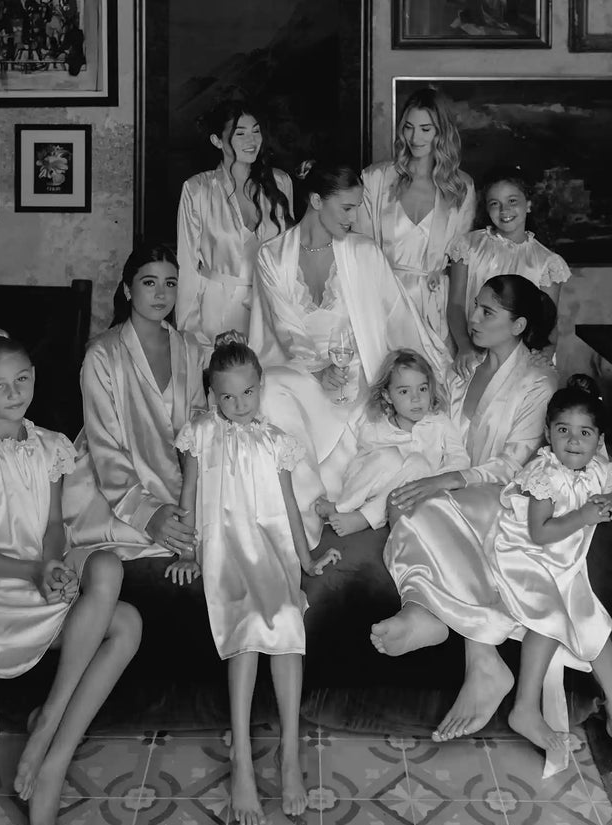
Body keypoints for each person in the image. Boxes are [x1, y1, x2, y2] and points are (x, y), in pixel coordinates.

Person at [0, 329, 142, 825]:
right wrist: (32, 571)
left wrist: (51, 562)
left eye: (22, 379)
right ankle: (49, 727)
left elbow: (53, 524)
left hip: (34, 568)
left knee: (111, 570)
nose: (14, 393)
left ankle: (52, 753)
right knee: (125, 622)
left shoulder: (49, 444)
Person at [371, 275, 558, 741]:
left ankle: (477, 654)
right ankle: (430, 614)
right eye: (474, 307)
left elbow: (515, 462)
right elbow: (425, 420)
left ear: (518, 324)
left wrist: (447, 479)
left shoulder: (537, 380)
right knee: (406, 503)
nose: (471, 319)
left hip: (502, 495)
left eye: (486, 312)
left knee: (428, 504)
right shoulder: (462, 368)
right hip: (449, 488)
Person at [166, 332, 341, 825]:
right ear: (212, 397)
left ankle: (289, 754)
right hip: (226, 551)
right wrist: (191, 552)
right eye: (227, 396)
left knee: (288, 618)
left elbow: (288, 506)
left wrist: (306, 561)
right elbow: (191, 494)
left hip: (272, 550)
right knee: (243, 628)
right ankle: (242, 758)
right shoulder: (200, 433)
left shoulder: (276, 442)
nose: (238, 405)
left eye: (247, 393)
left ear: (260, 388)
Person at [249, 160, 449, 543]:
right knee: (273, 387)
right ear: (315, 201)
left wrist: (426, 373)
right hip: (302, 370)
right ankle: (303, 518)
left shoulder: (363, 252)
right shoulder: (271, 255)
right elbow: (286, 329)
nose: (355, 217)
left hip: (359, 378)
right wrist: (318, 370)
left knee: (384, 443)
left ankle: (341, 503)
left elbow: (396, 318)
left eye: (358, 206)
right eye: (346, 207)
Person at [482, 375, 612, 775]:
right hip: (525, 556)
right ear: (548, 434)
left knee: (596, 627)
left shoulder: (599, 468)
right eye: (563, 431)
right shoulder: (544, 472)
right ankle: (525, 707)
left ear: (598, 438)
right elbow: (539, 533)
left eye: (584, 433)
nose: (573, 441)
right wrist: (584, 515)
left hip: (564, 563)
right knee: (549, 616)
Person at [63, 244, 207, 561]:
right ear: (128, 290)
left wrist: (193, 499)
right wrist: (147, 514)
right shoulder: (102, 354)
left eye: (170, 283)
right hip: (113, 488)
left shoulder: (189, 349)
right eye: (149, 282)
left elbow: (198, 429)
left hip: (181, 483)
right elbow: (104, 445)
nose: (161, 294)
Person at [358, 86, 476, 346]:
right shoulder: (376, 178)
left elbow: (460, 260)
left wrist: (463, 339)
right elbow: (360, 251)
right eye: (408, 127)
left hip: (435, 310)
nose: (415, 137)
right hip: (383, 304)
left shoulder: (461, 187)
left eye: (426, 129)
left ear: (441, 132)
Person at [176, 98, 293, 346]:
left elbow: (289, 256)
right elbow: (187, 266)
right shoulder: (198, 190)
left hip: (270, 308)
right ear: (217, 140)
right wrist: (190, 333)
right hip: (216, 313)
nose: (251, 141)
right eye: (240, 133)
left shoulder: (280, 183)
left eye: (256, 131)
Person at [316, 348, 470, 535]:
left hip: (411, 496)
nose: (416, 398)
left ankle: (364, 518)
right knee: (391, 457)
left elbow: (460, 461)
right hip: (366, 489)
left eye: (422, 388)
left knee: (419, 464)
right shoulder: (378, 425)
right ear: (388, 396)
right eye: (404, 391)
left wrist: (434, 479)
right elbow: (365, 466)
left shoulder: (440, 422)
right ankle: (343, 507)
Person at [447, 169, 570, 378]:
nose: (504, 210)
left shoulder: (546, 262)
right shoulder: (468, 247)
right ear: (486, 208)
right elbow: (456, 304)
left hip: (521, 359)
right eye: (494, 203)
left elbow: (548, 321)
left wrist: (546, 353)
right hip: (473, 353)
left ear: (528, 204)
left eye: (512, 201)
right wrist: (464, 346)